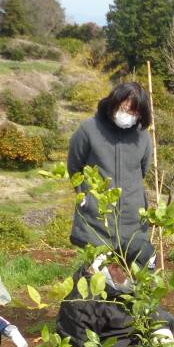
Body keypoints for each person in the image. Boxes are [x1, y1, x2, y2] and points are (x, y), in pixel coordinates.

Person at [68, 82, 154, 254]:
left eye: (134, 112)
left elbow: (142, 170)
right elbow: (75, 167)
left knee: (133, 276)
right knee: (98, 277)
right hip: (96, 220)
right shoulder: (89, 129)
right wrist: (85, 197)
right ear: (113, 104)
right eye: (124, 109)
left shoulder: (143, 136)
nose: (128, 115)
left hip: (133, 221)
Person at [56, 235, 174, 347]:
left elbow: (151, 308)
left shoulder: (133, 284)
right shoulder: (81, 304)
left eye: (145, 278)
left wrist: (161, 328)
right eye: (134, 277)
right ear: (114, 267)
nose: (140, 284)